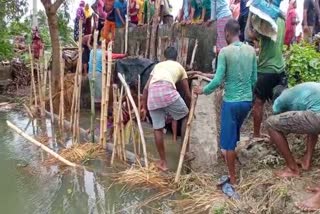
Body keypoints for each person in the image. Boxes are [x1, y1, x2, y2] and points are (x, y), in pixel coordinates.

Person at [194, 19, 257, 184]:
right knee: (234, 132)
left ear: (227, 33)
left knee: (228, 143)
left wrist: (203, 91)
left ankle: (233, 178)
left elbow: (217, 80)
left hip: (231, 102)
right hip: (247, 102)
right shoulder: (251, 51)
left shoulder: (224, 52)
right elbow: (254, 79)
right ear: (240, 33)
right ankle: (231, 156)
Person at [141, 47, 191, 171]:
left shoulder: (158, 66)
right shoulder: (179, 67)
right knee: (185, 115)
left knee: (158, 128)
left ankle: (163, 162)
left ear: (164, 56)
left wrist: (144, 106)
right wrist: (190, 105)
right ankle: (185, 150)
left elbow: (146, 88)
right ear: (177, 57)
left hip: (153, 93)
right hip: (167, 89)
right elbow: (187, 91)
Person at [265, 82, 320, 179]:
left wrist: (271, 139)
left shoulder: (279, 100)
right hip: (316, 114)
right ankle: (306, 161)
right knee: (310, 120)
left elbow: (275, 120)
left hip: (317, 116)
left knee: (270, 123)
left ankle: (292, 169)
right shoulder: (297, 91)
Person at [247, 16, 286, 139]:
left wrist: (249, 18)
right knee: (279, 103)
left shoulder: (267, 21)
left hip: (266, 69)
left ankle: (257, 134)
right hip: (280, 68)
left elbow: (250, 35)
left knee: (258, 102)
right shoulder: (282, 20)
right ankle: (279, 135)